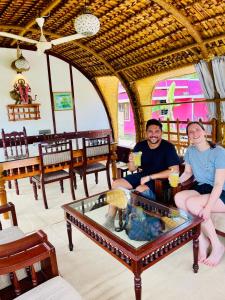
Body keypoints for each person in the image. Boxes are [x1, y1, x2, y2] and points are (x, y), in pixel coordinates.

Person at [104, 119, 180, 228]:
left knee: (139, 190)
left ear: (161, 133)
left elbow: (174, 170)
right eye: (150, 131)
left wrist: (150, 177)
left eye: (157, 131)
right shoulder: (140, 145)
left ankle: (136, 221)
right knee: (116, 184)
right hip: (143, 175)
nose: (153, 135)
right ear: (146, 133)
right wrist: (131, 161)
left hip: (160, 181)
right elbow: (131, 169)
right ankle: (110, 218)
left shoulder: (168, 147)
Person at [175, 121, 225, 267]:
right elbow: (188, 172)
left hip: (221, 191)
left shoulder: (219, 152)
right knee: (178, 197)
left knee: (192, 203)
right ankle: (202, 239)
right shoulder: (190, 151)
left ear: (204, 132)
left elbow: (218, 184)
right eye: (190, 132)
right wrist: (176, 181)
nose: (194, 133)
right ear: (188, 136)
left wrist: (208, 207)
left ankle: (217, 246)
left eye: (197, 130)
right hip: (202, 187)